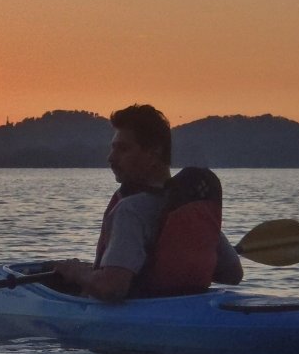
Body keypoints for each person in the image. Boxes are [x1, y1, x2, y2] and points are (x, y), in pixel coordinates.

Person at [54, 104, 243, 301]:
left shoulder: (130, 210)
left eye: (123, 149)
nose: (111, 158)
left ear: (153, 154)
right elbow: (232, 274)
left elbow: (112, 287)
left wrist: (77, 273)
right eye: (113, 149)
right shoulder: (187, 207)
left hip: (135, 319)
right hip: (189, 310)